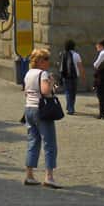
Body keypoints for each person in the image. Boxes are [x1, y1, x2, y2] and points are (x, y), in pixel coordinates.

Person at [22, 47, 61, 188]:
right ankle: (49, 176)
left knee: (33, 142)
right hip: (41, 110)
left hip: (29, 108)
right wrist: (51, 83)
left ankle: (29, 174)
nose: (48, 62)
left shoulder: (28, 73)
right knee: (49, 143)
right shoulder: (43, 74)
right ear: (38, 61)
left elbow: (26, 91)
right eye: (46, 59)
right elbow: (45, 91)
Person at [57, 39, 83, 115]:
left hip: (65, 76)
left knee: (68, 92)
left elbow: (60, 65)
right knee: (73, 93)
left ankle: (70, 108)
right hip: (74, 76)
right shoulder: (76, 55)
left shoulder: (62, 54)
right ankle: (71, 107)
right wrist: (82, 75)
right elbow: (80, 66)